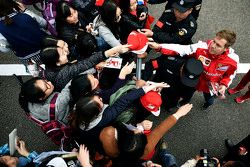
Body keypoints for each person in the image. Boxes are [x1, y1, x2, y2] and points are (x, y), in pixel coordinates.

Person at [148, 29, 239, 110]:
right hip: (195, 80)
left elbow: (230, 74)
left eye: (218, 45)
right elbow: (181, 49)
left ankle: (207, 104)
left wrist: (223, 85)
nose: (213, 46)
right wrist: (159, 47)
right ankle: (184, 102)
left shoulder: (233, 60)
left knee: (209, 99)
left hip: (211, 86)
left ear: (226, 48)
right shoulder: (201, 47)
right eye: (214, 41)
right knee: (187, 94)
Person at [70, 82, 168, 153]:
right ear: (97, 114)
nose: (101, 98)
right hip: (99, 144)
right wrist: (139, 126)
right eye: (100, 102)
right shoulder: (105, 118)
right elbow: (123, 101)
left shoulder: (80, 111)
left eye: (97, 98)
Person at [99, 103, 193, 165]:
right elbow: (159, 131)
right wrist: (178, 114)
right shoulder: (147, 149)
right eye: (140, 133)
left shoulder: (112, 150)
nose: (138, 130)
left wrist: (139, 125)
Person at [40, 37, 130, 92]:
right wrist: (114, 50)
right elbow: (86, 63)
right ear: (57, 63)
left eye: (63, 48)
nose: (66, 51)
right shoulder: (64, 74)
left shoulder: (51, 66)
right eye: (62, 53)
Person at [0, 0, 47, 75]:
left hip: (28, 57)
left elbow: (5, 49)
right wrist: (26, 10)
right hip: (46, 49)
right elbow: (44, 23)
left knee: (39, 75)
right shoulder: (26, 15)